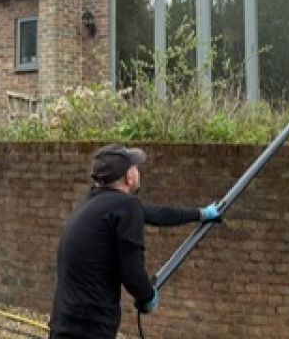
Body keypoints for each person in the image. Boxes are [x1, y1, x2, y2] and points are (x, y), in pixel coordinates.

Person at [48, 144, 220, 338]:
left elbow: (157, 214)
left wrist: (200, 214)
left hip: (64, 322)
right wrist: (147, 297)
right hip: (91, 327)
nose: (138, 172)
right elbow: (132, 272)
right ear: (128, 177)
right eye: (136, 167)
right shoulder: (125, 205)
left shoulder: (94, 204)